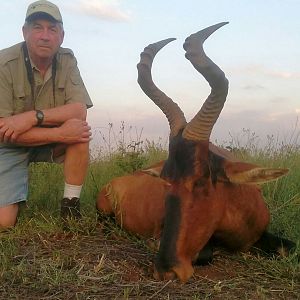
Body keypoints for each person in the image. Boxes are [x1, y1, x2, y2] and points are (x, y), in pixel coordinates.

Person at [0, 0, 93, 229]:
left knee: (79, 130)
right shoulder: (4, 63)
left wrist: (32, 117)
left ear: (61, 36)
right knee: (4, 224)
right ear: (25, 32)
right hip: (9, 145)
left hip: (50, 138)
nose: (45, 35)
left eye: (52, 29)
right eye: (37, 27)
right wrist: (61, 133)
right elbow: (3, 131)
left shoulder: (67, 59)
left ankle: (70, 209)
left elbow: (79, 110)